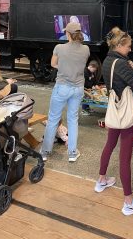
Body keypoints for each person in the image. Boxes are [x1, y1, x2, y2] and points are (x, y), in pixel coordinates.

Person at [95, 27, 133, 216]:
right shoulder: (123, 64)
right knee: (125, 157)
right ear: (119, 45)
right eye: (128, 46)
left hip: (115, 112)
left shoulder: (108, 61)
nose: (129, 50)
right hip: (126, 114)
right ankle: (129, 201)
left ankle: (101, 180)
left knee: (109, 145)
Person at [40, 21, 90, 162]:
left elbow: (53, 64)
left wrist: (64, 67)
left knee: (53, 119)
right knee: (73, 119)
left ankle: (45, 152)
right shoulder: (86, 49)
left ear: (68, 33)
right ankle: (72, 153)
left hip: (62, 87)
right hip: (78, 88)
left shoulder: (59, 48)